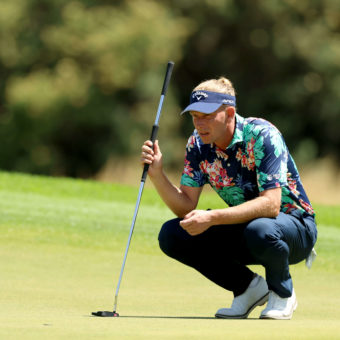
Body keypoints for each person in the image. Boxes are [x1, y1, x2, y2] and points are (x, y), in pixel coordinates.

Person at [140, 77, 317, 320]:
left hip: (295, 228)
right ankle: (248, 288)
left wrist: (212, 217)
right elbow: (186, 205)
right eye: (194, 116)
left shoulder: (262, 134)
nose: (199, 124)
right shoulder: (197, 144)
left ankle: (282, 293)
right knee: (173, 234)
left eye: (207, 116)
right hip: (248, 228)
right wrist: (157, 175)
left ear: (230, 112)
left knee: (261, 229)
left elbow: (271, 204)